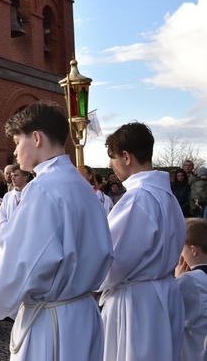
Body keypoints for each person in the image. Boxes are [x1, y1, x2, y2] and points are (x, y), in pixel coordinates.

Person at [0, 102, 113, 360]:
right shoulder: (81, 185)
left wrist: (4, 287)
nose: (15, 152)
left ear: (36, 137)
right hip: (84, 312)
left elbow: (25, 263)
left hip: (51, 319)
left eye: (17, 142)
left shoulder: (41, 188)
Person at [99, 122, 186, 361]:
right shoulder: (166, 195)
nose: (109, 165)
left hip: (137, 303)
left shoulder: (138, 198)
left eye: (112, 157)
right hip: (164, 291)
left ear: (126, 156)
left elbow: (111, 260)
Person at [174, 218, 207, 361]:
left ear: (193, 250)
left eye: (181, 249)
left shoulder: (190, 280)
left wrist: (177, 280)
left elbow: (170, 311)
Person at [0, 165, 31, 237]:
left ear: (25, 177)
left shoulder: (33, 194)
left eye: (16, 175)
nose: (12, 178)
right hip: (11, 235)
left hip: (28, 235)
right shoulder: (7, 196)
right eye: (12, 175)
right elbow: (2, 218)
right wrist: (9, 230)